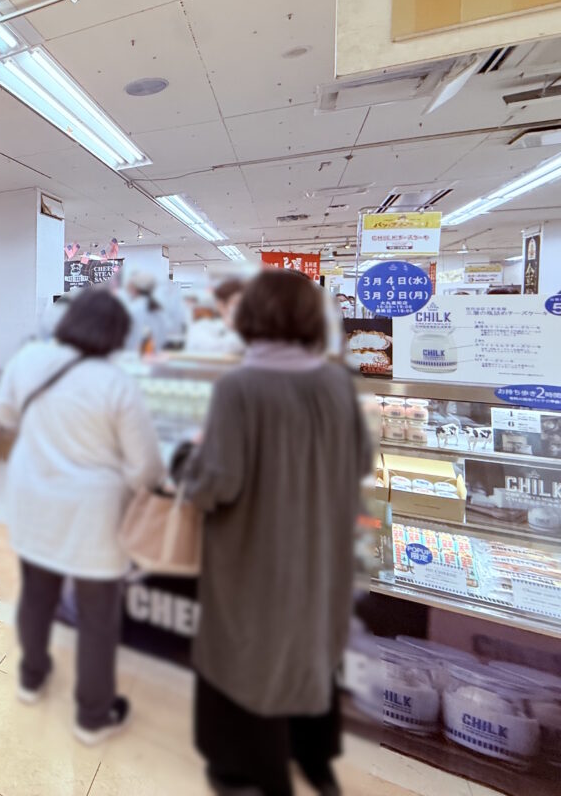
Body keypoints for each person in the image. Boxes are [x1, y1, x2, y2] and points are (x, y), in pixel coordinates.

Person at [176, 269, 373, 796]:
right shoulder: (335, 381)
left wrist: (188, 462)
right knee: (310, 656)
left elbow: (216, 483)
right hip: (322, 555)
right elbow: (361, 460)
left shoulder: (241, 386)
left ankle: (255, 776)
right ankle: (316, 763)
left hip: (255, 559)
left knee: (250, 664)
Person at [0, 289, 164, 745]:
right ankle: (92, 716)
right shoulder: (117, 383)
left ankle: (31, 678)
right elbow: (146, 466)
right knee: (97, 618)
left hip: (33, 501)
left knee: (35, 596)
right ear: (115, 335)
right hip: (95, 515)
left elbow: (5, 415)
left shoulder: (28, 359)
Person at [183, 278, 246, 356]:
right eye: (237, 303)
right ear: (221, 306)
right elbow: (221, 350)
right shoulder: (201, 328)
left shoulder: (253, 331)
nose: (243, 309)